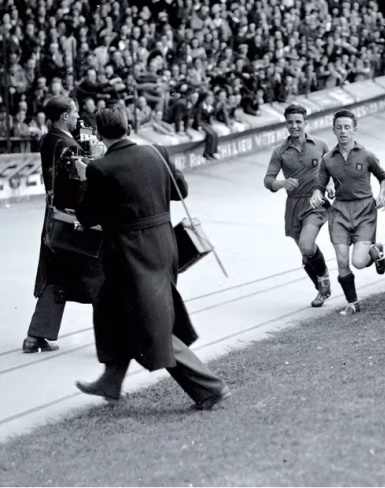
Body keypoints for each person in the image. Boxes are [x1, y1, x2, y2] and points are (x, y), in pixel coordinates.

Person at [74, 107, 231, 410]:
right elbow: (180, 190)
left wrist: (85, 179)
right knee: (109, 306)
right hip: (164, 244)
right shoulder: (156, 152)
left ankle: (210, 389)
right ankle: (111, 379)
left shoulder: (100, 169)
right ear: (129, 126)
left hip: (130, 254)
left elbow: (87, 214)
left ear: (98, 133)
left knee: (153, 325)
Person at [24, 96, 103, 354]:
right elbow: (80, 184)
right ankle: (110, 341)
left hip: (53, 217)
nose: (79, 114)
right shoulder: (69, 145)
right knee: (98, 278)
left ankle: (35, 336)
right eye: (75, 111)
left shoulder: (48, 140)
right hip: (72, 221)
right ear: (65, 116)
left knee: (56, 275)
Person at [310, 109, 385, 315]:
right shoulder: (328, 159)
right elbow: (319, 185)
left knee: (358, 262)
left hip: (364, 210)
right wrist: (317, 194)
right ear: (333, 130)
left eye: (347, 127)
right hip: (339, 212)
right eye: (339, 127)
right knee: (342, 261)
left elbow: (384, 177)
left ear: (354, 129)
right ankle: (353, 303)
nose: (343, 131)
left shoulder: (366, 155)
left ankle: (376, 251)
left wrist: (382, 195)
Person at [263, 104, 333, 307]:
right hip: (293, 205)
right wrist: (281, 183)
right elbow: (268, 180)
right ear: (286, 124)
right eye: (290, 122)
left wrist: (328, 184)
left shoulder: (319, 144)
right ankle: (321, 290)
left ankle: (324, 277)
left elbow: (331, 168)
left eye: (298, 122)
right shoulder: (280, 152)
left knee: (306, 244)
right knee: (306, 254)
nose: (294, 126)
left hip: (315, 202)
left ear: (306, 123)